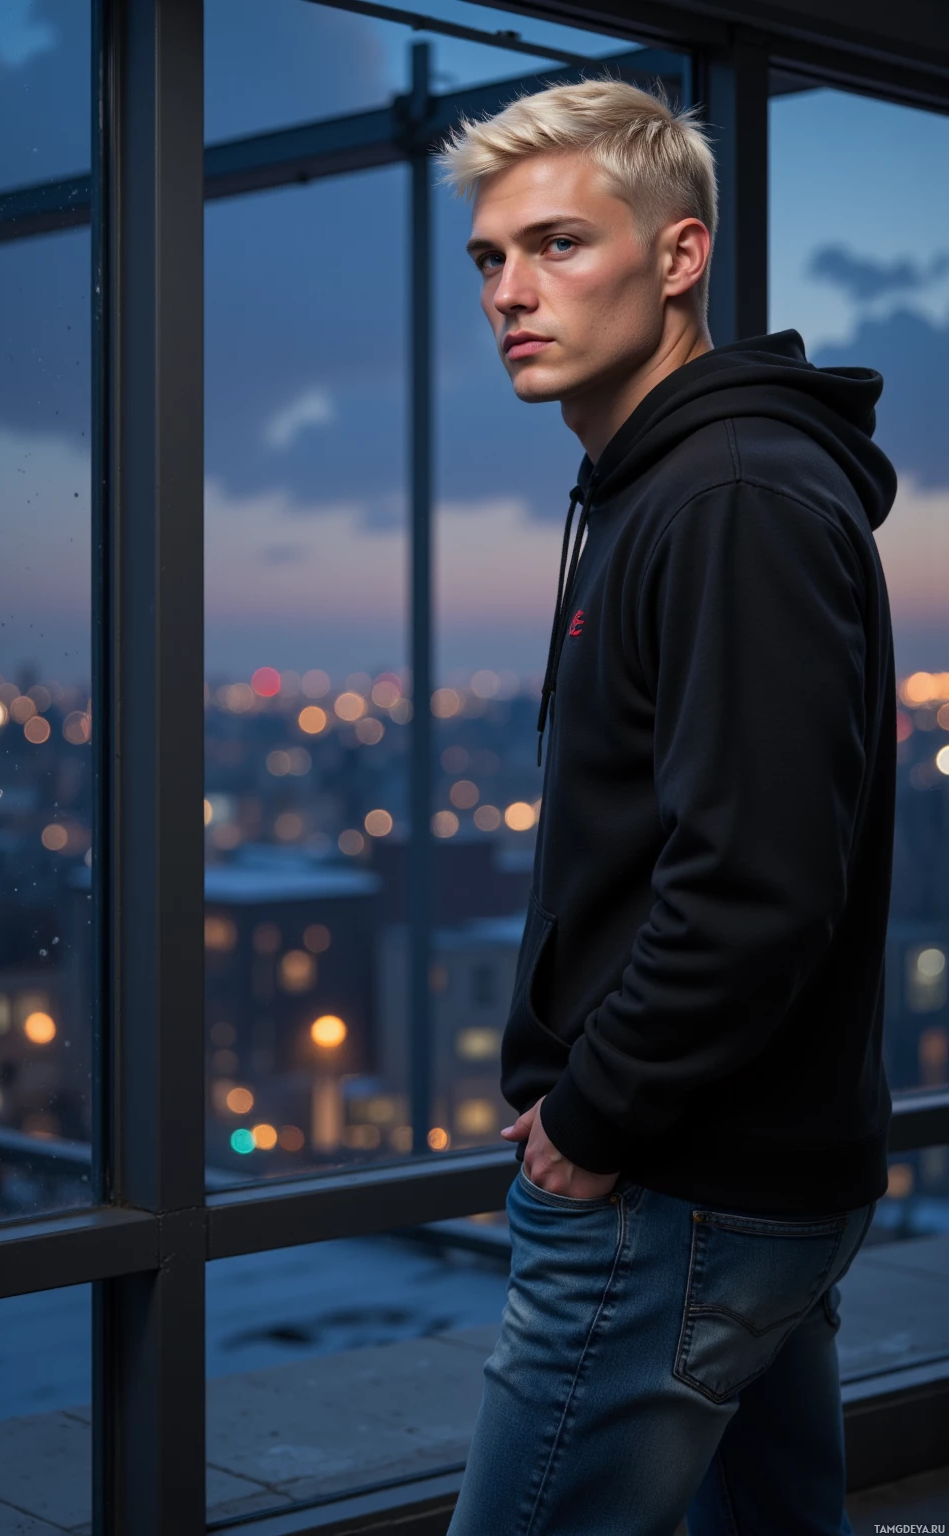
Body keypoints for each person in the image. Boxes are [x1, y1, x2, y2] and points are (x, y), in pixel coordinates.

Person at [435, 77, 896, 1536]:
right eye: (491, 258)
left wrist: (594, 1118)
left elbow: (755, 882)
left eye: (560, 245)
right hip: (736, 1172)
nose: (513, 291)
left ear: (679, 257)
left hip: (677, 1190)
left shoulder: (728, 496)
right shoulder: (667, 485)